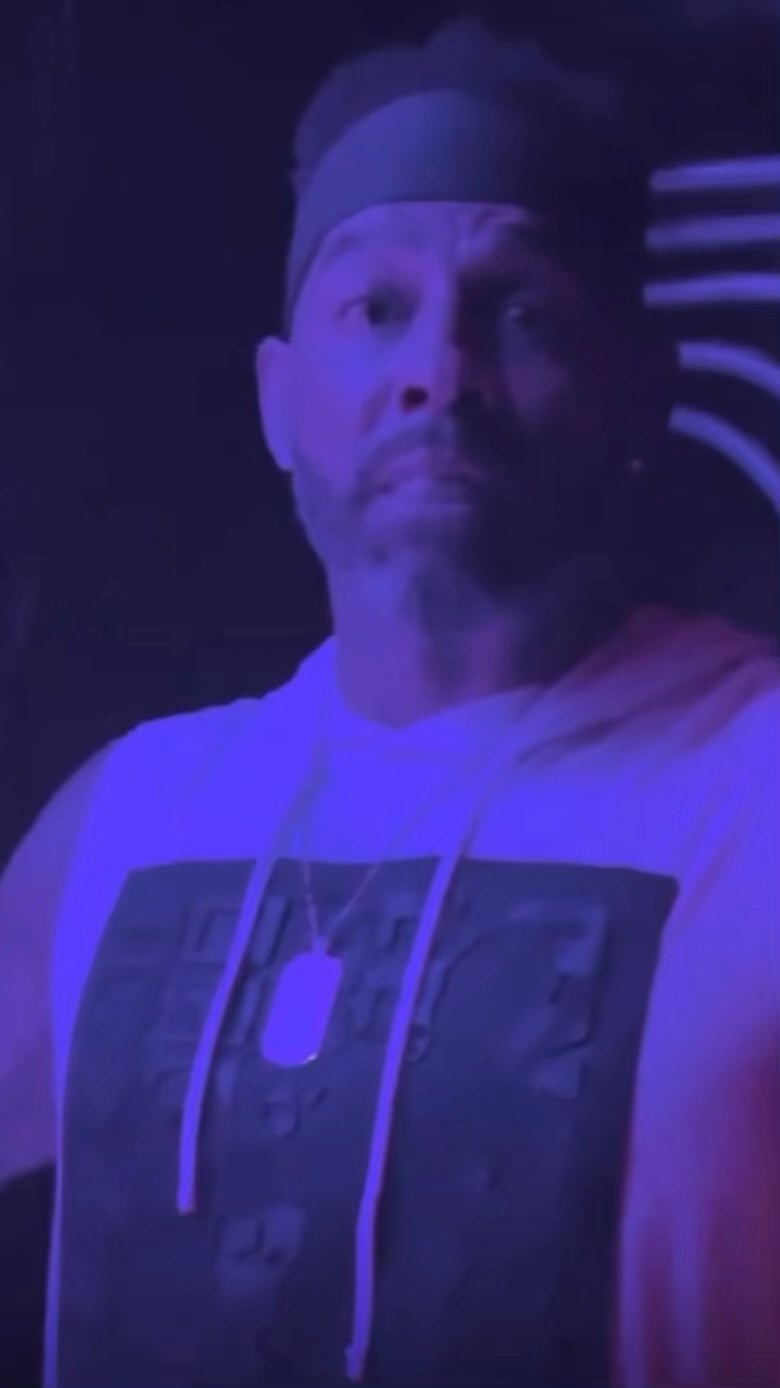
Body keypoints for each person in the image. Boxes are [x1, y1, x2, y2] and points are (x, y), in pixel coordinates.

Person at [1, 15, 778, 1388]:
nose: (439, 371)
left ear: (638, 392)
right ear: (278, 400)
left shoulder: (755, 786)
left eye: (520, 312)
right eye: (375, 310)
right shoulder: (122, 818)